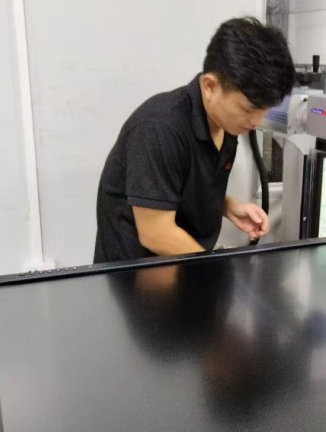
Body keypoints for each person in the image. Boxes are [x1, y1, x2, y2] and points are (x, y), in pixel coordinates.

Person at [93, 17, 295, 263]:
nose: (257, 121)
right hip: (133, 274)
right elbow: (155, 234)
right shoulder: (159, 128)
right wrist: (211, 270)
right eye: (248, 109)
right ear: (210, 86)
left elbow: (183, 186)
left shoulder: (227, 125)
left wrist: (227, 206)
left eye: (264, 110)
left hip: (183, 266)